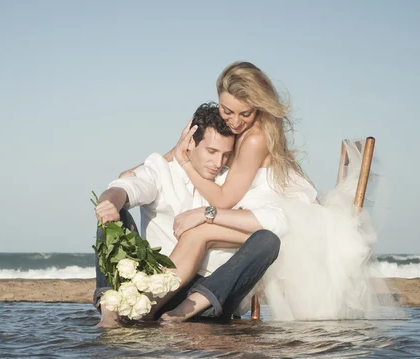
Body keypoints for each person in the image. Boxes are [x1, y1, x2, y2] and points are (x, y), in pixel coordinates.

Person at [122, 61, 400, 321]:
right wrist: (145, 167)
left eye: (245, 113)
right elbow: (184, 154)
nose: (235, 121)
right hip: (264, 215)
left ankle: (154, 308)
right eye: (226, 110)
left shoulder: (255, 137)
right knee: (199, 233)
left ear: (259, 107)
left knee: (199, 231)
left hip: (286, 222)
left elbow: (223, 199)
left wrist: (186, 166)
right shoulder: (238, 131)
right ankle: (154, 304)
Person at [93, 103, 282, 327]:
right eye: (211, 152)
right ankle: (111, 314)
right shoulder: (163, 171)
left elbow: (276, 220)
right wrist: (110, 203)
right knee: (115, 218)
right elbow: (125, 186)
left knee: (268, 241)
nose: (218, 163)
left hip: (208, 296)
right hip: (154, 288)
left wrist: (208, 226)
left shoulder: (230, 182)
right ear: (190, 142)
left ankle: (182, 312)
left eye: (226, 155)